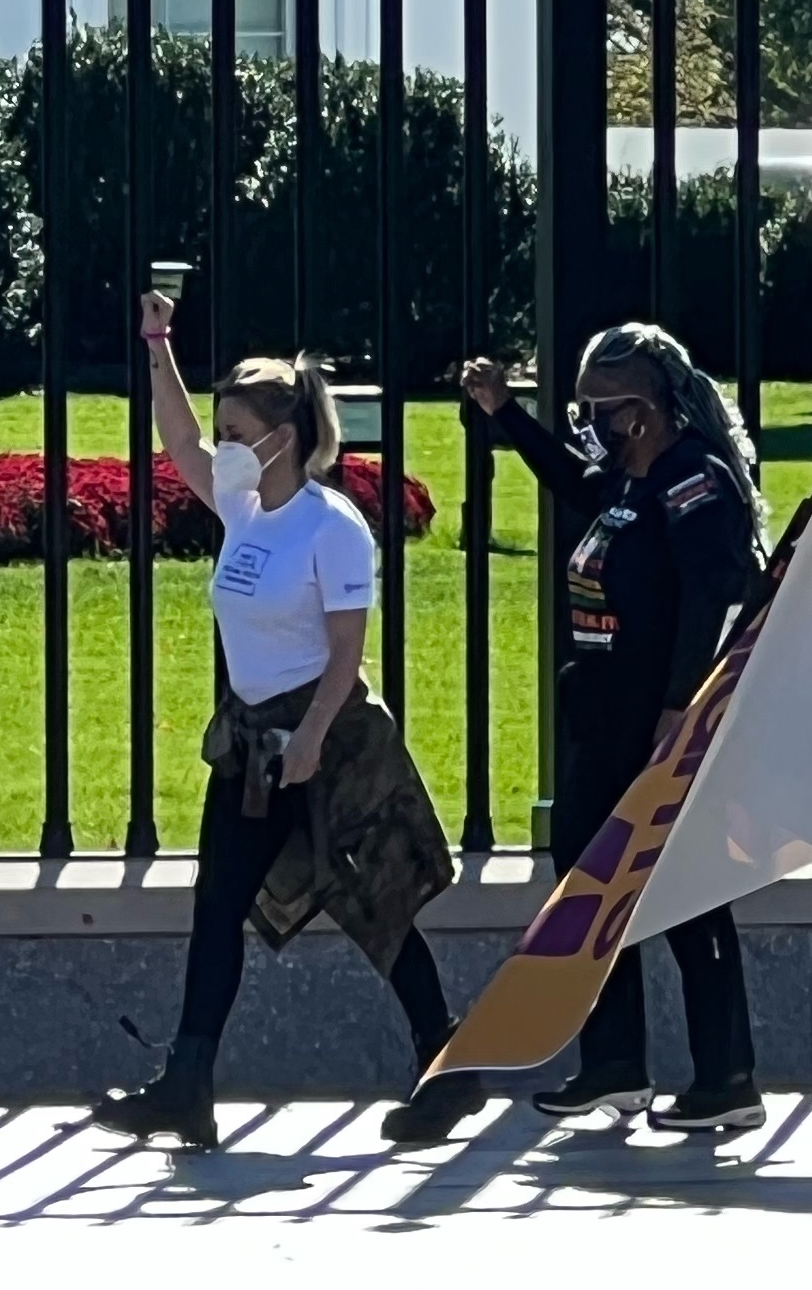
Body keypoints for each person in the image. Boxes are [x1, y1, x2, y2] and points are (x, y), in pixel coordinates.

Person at [92, 288, 466, 1154]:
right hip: (255, 742)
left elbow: (346, 658)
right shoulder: (247, 511)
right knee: (216, 906)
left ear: (283, 435)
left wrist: (308, 742)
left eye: (236, 432)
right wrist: (159, 343)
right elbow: (176, 442)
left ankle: (447, 1067)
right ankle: (187, 1086)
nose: (219, 446)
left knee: (374, 904)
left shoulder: (331, 529)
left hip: (327, 742)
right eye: (221, 430)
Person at [463, 322, 767, 1133]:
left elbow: (713, 596)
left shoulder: (692, 482)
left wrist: (681, 709)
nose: (590, 421)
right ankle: (614, 1064)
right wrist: (505, 413)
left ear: (643, 411)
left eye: (603, 408)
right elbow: (572, 481)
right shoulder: (627, 480)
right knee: (593, 881)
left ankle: (727, 1076)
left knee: (682, 886)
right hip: (602, 709)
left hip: (656, 714)